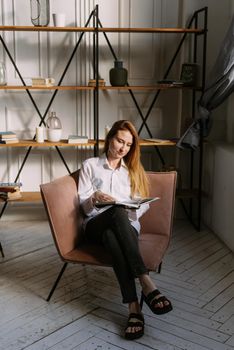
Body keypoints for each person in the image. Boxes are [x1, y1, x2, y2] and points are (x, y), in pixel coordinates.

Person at [78, 120, 172, 340]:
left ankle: (134, 308)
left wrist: (132, 210)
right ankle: (145, 281)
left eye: (128, 145)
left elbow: (143, 203)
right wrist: (94, 198)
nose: (122, 148)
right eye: (120, 141)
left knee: (115, 230)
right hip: (95, 224)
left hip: (125, 227)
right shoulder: (90, 165)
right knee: (116, 212)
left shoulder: (132, 170)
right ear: (110, 137)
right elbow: (82, 207)